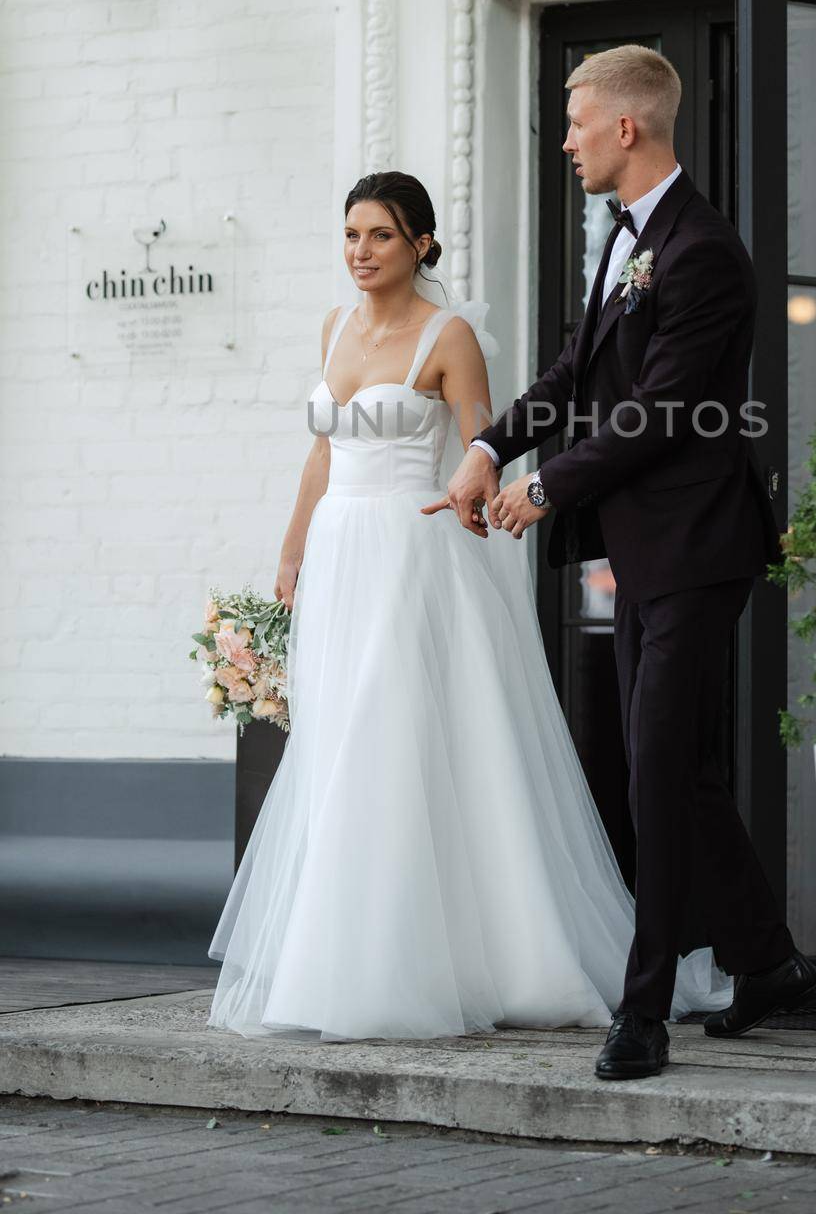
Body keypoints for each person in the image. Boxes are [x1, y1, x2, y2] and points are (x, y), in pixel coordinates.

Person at [206, 169, 733, 1042]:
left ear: (420, 243)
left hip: (411, 557)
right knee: (339, 737)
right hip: (339, 553)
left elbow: (480, 450)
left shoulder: (449, 337)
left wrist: (493, 494)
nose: (360, 253)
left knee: (394, 734)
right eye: (350, 236)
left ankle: (417, 965)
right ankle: (330, 958)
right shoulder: (333, 326)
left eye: (378, 235)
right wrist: (293, 549)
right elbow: (320, 454)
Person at [441, 46, 816, 1081]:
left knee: (656, 768)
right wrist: (489, 449)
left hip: (699, 547)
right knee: (680, 773)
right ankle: (770, 961)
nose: (563, 142)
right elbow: (577, 373)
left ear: (627, 128)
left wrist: (549, 485)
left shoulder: (700, 249)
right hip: (642, 550)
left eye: (575, 123)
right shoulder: (620, 239)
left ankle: (644, 1009)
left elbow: (658, 411)